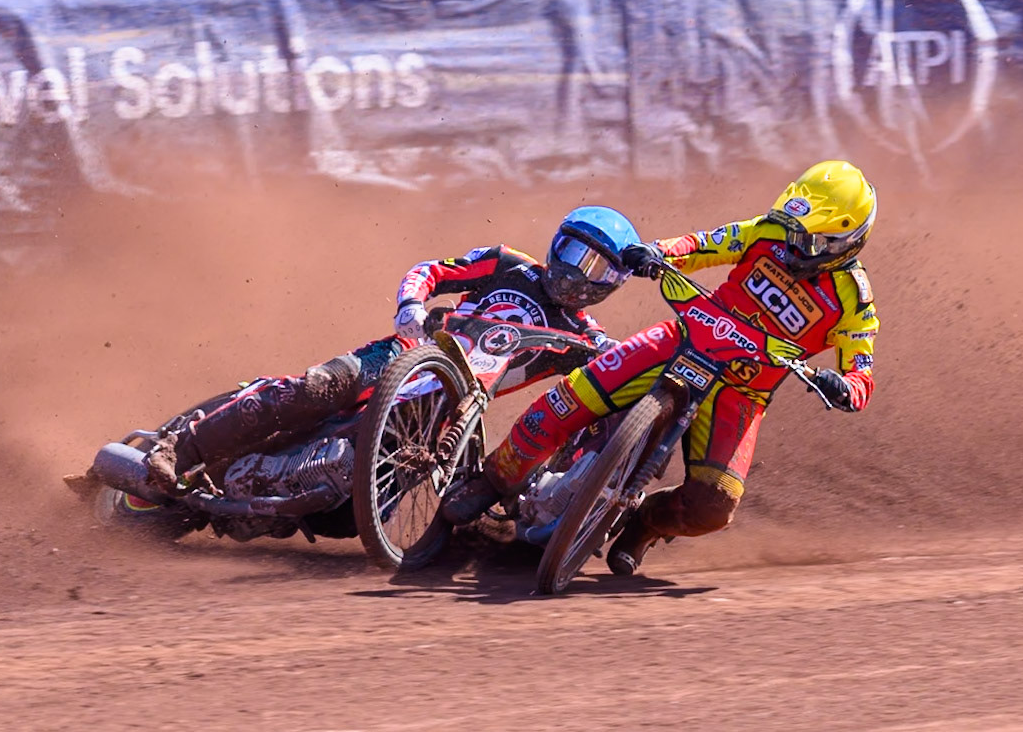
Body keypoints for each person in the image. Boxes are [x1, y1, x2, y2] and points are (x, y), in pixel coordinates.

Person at [442, 160, 880, 575]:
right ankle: (492, 482)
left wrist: (843, 388)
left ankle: (645, 524)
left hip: (741, 393)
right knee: (567, 400)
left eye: (813, 241)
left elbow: (862, 372)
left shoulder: (854, 304)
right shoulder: (766, 232)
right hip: (684, 339)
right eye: (794, 230)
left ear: (848, 242)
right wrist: (654, 253)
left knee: (714, 506)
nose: (795, 245)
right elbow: (702, 245)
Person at [142, 206, 642, 498]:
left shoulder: (583, 335)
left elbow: (618, 373)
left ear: (612, 285)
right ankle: (179, 449)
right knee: (319, 387)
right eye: (576, 254)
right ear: (557, 245)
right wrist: (411, 307)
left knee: (363, 502)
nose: (579, 273)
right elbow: (431, 270)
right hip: (408, 352)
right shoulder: (508, 264)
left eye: (596, 269)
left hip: (448, 410)